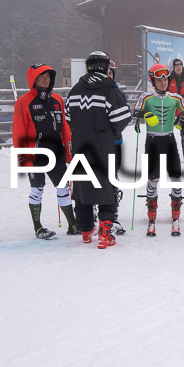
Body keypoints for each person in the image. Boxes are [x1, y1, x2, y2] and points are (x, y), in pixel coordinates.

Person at [65, 51, 131, 249]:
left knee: (82, 190)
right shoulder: (109, 89)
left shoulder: (75, 89)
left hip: (80, 147)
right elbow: (122, 118)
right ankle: (105, 234)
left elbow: (69, 117)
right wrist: (109, 132)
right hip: (103, 147)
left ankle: (86, 232)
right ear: (106, 67)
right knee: (107, 189)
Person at [133, 63, 184, 237]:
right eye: (159, 80)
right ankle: (151, 212)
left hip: (169, 140)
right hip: (152, 141)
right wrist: (145, 115)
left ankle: (175, 212)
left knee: (175, 177)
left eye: (165, 79)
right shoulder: (146, 97)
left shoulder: (175, 97)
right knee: (152, 178)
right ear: (152, 81)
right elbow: (135, 111)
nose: (163, 83)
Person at [13, 64, 76, 239]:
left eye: (48, 76)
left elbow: (65, 129)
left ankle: (72, 224)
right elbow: (18, 133)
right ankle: (38, 228)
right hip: (35, 155)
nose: (46, 79)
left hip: (57, 153)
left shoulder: (57, 100)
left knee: (63, 186)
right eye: (42, 76)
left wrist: (69, 153)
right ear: (34, 79)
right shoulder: (23, 102)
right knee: (37, 189)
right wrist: (23, 160)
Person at [108, 60, 127, 235]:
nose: (108, 75)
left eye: (111, 72)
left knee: (113, 176)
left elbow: (125, 115)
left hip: (115, 142)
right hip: (95, 144)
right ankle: (92, 212)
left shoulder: (118, 93)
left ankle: (113, 215)